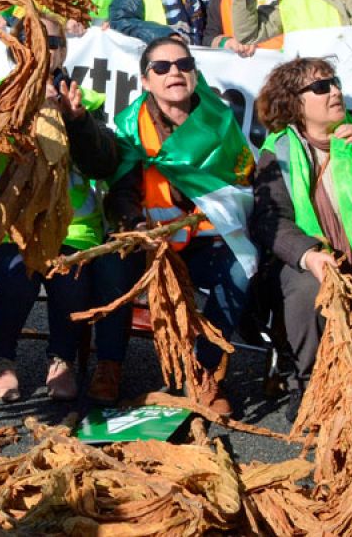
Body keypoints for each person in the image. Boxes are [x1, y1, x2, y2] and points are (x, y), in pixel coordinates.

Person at [0, 15, 131, 404]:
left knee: (70, 278)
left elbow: (103, 165)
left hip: (70, 229)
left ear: (64, 49)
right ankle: (0, 361)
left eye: (52, 41)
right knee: (19, 277)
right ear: (14, 47)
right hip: (0, 229)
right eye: (29, 40)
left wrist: (77, 122)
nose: (42, 48)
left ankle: (63, 360)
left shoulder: (85, 101)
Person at [107, 36, 256, 415]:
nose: (174, 72)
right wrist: (135, 224)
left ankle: (206, 372)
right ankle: (109, 365)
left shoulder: (219, 120)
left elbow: (242, 181)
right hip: (151, 241)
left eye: (183, 65)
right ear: (145, 81)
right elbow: (122, 189)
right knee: (112, 266)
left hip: (208, 237)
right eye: (162, 67)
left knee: (239, 270)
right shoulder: (130, 126)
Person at [250, 58, 352, 419]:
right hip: (315, 256)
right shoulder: (278, 150)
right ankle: (311, 384)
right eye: (320, 87)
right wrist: (308, 254)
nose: (334, 91)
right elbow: (270, 219)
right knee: (307, 292)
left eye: (335, 82)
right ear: (294, 102)